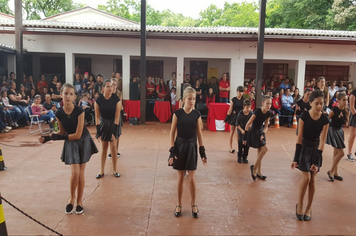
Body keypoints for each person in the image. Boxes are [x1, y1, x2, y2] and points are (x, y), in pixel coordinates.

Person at [39, 83, 98, 214]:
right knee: (74, 173)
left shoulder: (79, 111)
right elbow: (61, 131)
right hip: (69, 140)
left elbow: (77, 134)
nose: (68, 96)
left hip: (82, 139)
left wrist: (55, 138)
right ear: (61, 95)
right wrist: (48, 137)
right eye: (65, 93)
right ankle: (71, 199)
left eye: (71, 94)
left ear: (74, 97)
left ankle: (79, 201)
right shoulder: (59, 113)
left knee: (80, 173)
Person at [168, 87, 207, 218]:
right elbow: (172, 133)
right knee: (180, 178)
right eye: (189, 99)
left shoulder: (197, 115)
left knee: (191, 179)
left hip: (191, 147)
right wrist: (172, 151)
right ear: (184, 99)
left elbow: (200, 135)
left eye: (194, 99)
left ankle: (193, 204)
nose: (192, 101)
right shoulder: (177, 114)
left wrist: (202, 152)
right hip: (179, 147)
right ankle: (178, 204)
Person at [291, 90, 329, 221]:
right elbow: (299, 137)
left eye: (322, 104)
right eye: (317, 103)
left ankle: (309, 207)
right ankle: (300, 204)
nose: (319, 106)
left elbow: (323, 141)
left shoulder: (325, 118)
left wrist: (316, 161)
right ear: (311, 103)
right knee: (306, 179)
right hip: (304, 149)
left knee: (313, 180)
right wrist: (296, 158)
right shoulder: (304, 116)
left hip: (316, 149)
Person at [94, 79, 122, 179]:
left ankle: (115, 170)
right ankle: (101, 170)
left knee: (113, 147)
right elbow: (97, 117)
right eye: (108, 86)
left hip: (114, 123)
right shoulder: (98, 100)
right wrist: (98, 131)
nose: (110, 88)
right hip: (103, 124)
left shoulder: (116, 100)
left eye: (111, 86)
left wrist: (114, 131)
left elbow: (117, 116)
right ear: (103, 89)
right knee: (104, 148)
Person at [245, 95, 272, 181]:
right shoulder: (257, 111)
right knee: (265, 149)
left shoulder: (268, 113)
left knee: (261, 150)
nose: (269, 106)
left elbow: (266, 126)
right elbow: (248, 124)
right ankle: (254, 168)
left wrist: (263, 134)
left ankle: (259, 172)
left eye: (270, 104)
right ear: (263, 103)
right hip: (254, 131)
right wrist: (245, 137)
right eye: (267, 104)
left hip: (261, 131)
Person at [326, 92, 348, 181]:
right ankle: (331, 171)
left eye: (346, 100)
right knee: (341, 153)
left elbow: (346, 123)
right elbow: (328, 120)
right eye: (343, 100)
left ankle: (335, 172)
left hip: (340, 131)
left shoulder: (346, 110)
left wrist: (342, 118)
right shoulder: (334, 110)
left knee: (336, 152)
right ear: (338, 100)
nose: (345, 102)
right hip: (333, 130)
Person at [224, 86, 244, 153]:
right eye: (239, 92)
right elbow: (230, 109)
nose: (240, 93)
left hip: (240, 118)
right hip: (234, 117)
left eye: (242, 92)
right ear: (237, 91)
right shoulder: (234, 99)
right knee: (232, 132)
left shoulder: (244, 100)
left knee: (238, 133)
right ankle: (230, 147)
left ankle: (239, 148)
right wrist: (227, 118)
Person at [236, 99, 252, 163]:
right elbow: (237, 124)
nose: (248, 109)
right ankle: (239, 156)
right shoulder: (240, 114)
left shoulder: (251, 114)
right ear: (243, 107)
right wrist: (242, 130)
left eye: (249, 107)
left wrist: (250, 127)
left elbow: (252, 122)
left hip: (248, 131)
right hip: (241, 130)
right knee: (240, 143)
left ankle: (245, 157)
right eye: (247, 107)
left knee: (247, 145)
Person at [347, 86, 356, 161]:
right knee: (352, 135)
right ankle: (349, 153)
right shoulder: (353, 94)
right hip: (355, 116)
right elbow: (352, 107)